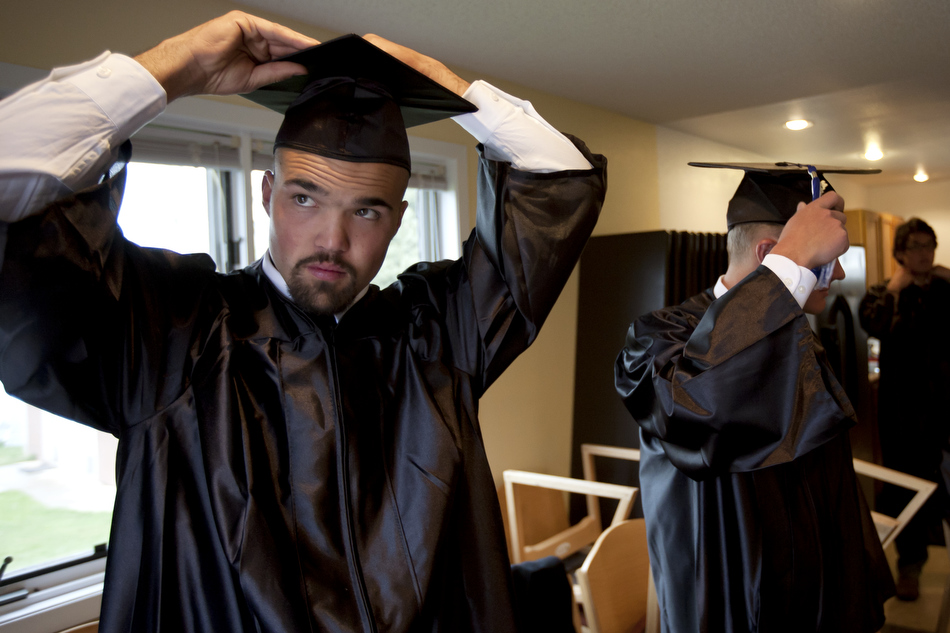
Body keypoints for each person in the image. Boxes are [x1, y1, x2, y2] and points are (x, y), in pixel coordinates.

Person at [0, 12, 607, 633]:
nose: (332, 240)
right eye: (305, 198)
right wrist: (174, 67)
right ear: (267, 194)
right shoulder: (167, 331)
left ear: (397, 220)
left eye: (366, 211)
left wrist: (446, 85)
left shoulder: (437, 335)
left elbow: (559, 183)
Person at [615, 163, 894, 633]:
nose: (841, 271)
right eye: (826, 255)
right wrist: (788, 266)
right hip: (729, 590)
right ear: (771, 253)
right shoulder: (659, 338)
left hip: (814, 590)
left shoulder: (796, 338)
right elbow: (692, 406)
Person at [859, 217, 950, 600]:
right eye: (915, 246)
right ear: (899, 252)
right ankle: (909, 567)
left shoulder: (945, 288)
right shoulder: (884, 292)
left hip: (946, 409)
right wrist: (894, 290)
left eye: (929, 244)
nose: (925, 252)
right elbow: (872, 326)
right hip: (903, 414)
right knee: (906, 488)